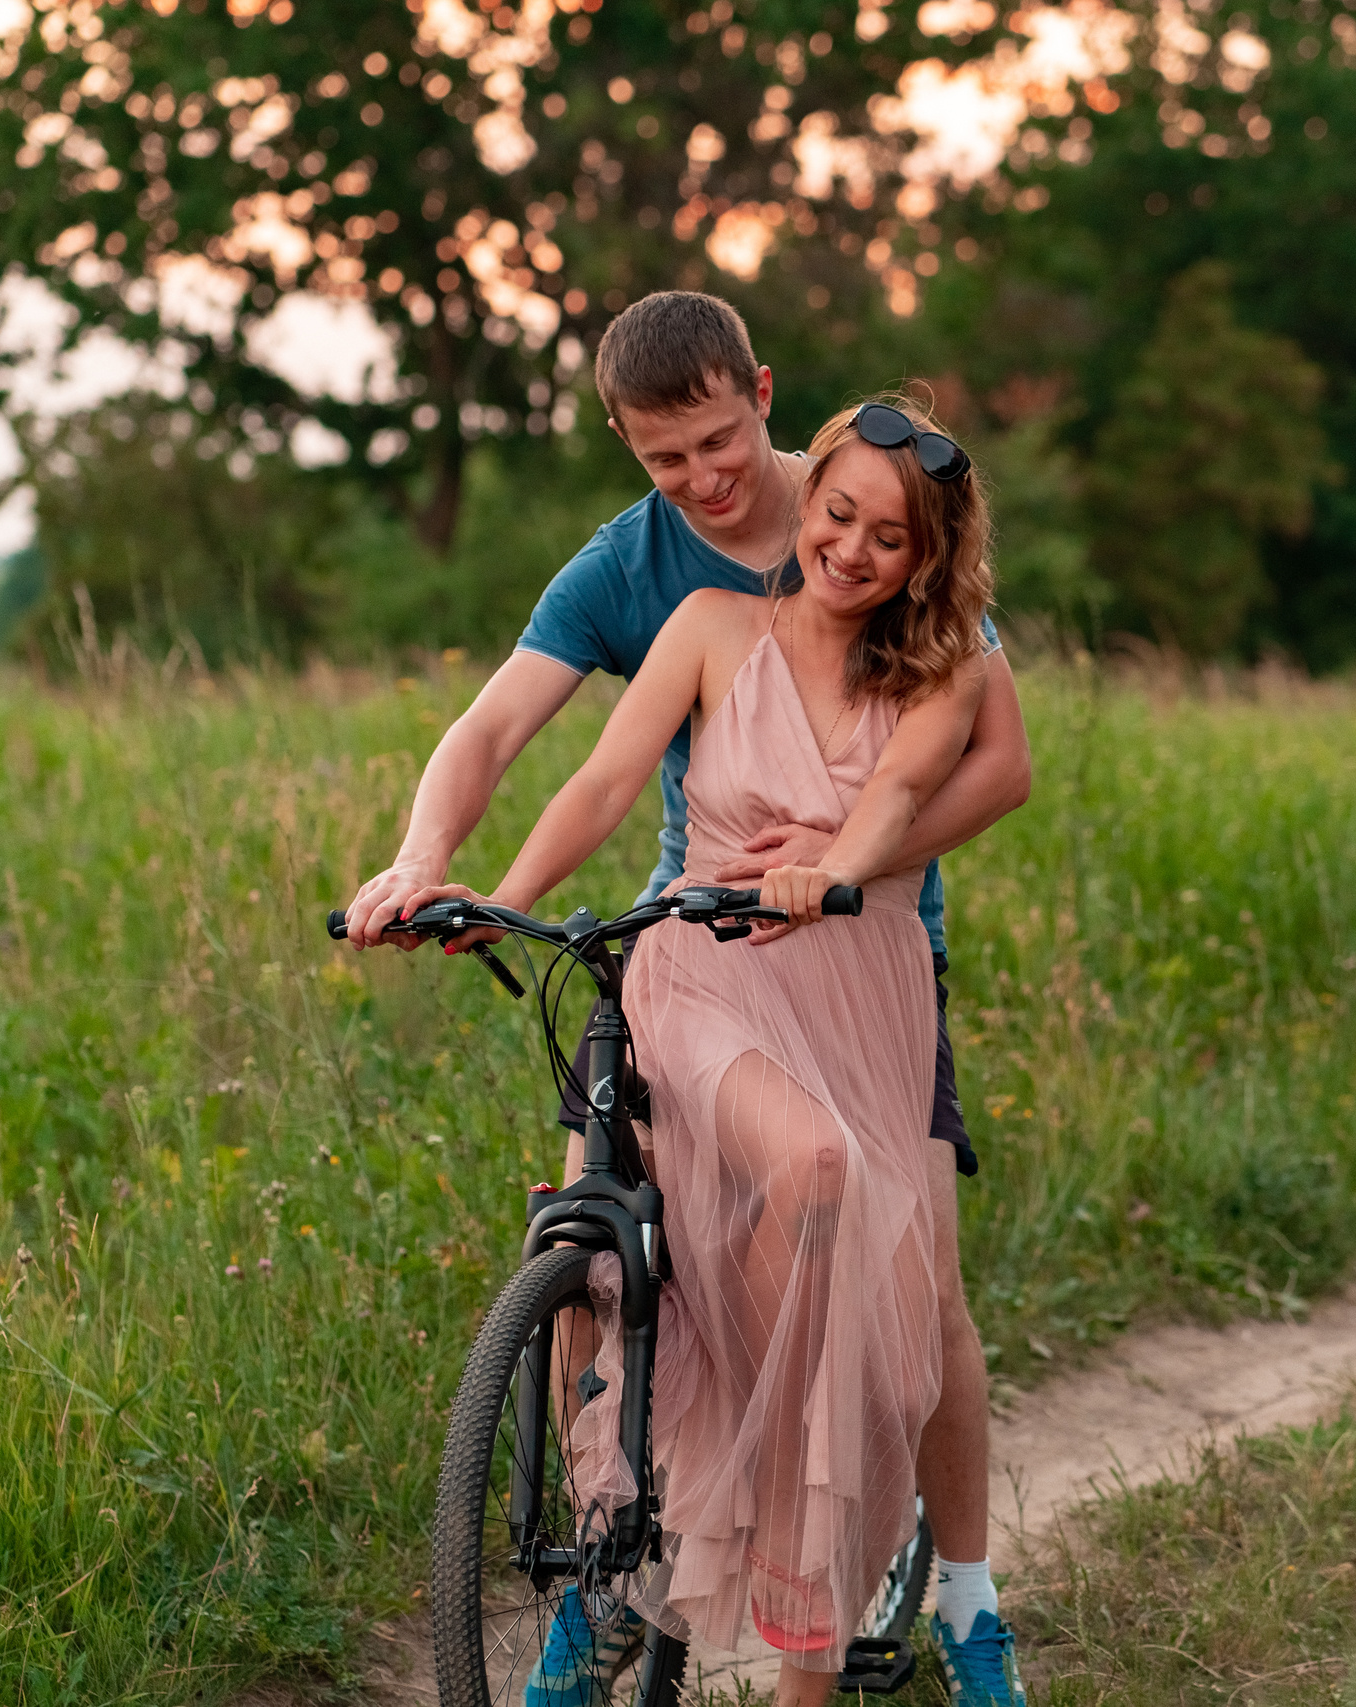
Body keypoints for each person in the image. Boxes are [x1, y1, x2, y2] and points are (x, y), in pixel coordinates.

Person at [341, 293, 1030, 1704]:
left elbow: (990, 765)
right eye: (667, 460)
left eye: (720, 442)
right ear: (626, 448)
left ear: (762, 395)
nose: (706, 480)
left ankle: (962, 1603)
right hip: (694, 941)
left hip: (869, 956)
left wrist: (846, 865)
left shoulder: (870, 501)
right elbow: (506, 734)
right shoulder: (639, 572)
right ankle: (602, 1583)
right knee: (592, 1251)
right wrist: (442, 874)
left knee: (927, 1295)